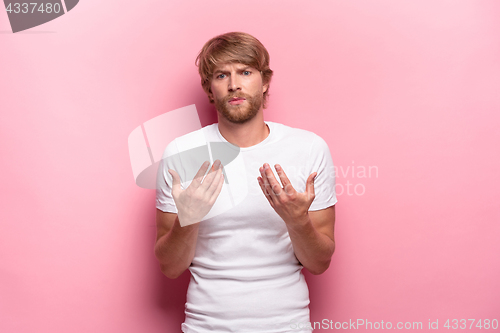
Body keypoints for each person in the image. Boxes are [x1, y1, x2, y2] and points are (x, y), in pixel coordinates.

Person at [154, 32, 337, 333]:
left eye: (245, 72)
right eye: (222, 74)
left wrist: (298, 222)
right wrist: (189, 218)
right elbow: (170, 267)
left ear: (265, 81)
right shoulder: (181, 153)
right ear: (210, 90)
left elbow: (319, 263)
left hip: (287, 326)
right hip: (205, 326)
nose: (234, 84)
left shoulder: (309, 148)